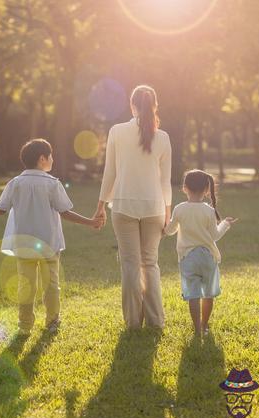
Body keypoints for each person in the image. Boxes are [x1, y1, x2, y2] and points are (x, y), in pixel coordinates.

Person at [0, 139, 101, 336]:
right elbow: (65, 212)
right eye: (51, 156)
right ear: (42, 159)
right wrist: (90, 222)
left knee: (26, 285)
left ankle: (25, 324)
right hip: (49, 245)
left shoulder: (15, 183)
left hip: (24, 245)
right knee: (51, 285)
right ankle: (52, 320)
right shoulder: (52, 184)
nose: (52, 159)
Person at [94, 85, 172, 329]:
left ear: (132, 105)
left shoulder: (117, 131)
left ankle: (132, 322)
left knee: (130, 264)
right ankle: (156, 321)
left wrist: (101, 205)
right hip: (155, 207)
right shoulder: (164, 137)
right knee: (150, 263)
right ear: (155, 106)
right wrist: (168, 212)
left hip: (123, 205)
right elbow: (165, 180)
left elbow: (110, 173)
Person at [164, 169, 238, 336]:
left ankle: (197, 329)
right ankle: (204, 325)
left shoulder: (179, 209)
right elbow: (215, 235)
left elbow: (170, 230)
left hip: (187, 258)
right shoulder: (208, 211)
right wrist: (225, 223)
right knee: (208, 294)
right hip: (207, 258)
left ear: (184, 188)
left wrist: (163, 224)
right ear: (206, 190)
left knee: (193, 295)